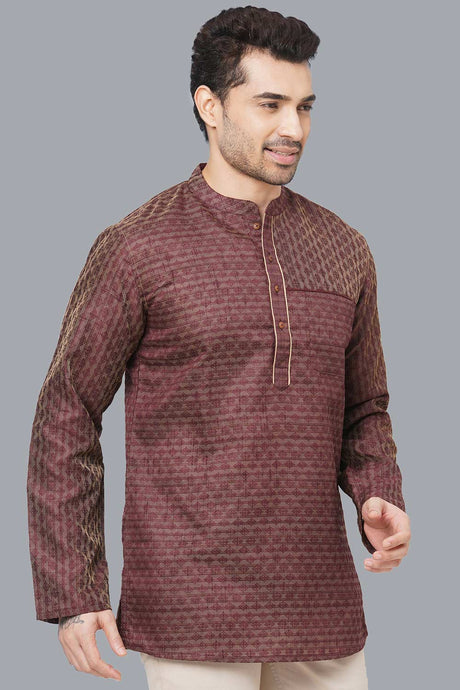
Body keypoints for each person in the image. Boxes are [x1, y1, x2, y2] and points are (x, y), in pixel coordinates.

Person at [26, 5, 411, 689]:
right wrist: (75, 591)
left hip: (321, 608)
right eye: (270, 104)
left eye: (304, 107)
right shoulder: (139, 247)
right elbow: (67, 412)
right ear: (209, 105)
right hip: (191, 612)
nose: (293, 128)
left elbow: (365, 407)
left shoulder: (345, 248)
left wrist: (377, 492)